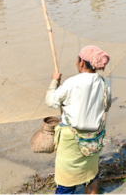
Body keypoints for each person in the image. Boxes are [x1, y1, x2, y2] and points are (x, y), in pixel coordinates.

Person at [45, 45, 111, 195]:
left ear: (81, 62)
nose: (77, 62)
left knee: (65, 183)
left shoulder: (72, 83)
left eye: (78, 60)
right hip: (94, 138)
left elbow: (50, 101)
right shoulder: (105, 83)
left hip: (72, 140)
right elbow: (106, 106)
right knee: (91, 177)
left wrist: (54, 82)